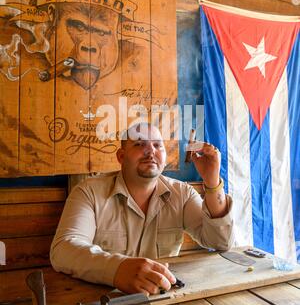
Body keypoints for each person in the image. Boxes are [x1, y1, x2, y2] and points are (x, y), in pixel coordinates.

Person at [50, 123, 234, 295]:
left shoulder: (182, 193)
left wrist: (212, 180)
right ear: (121, 157)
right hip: (104, 302)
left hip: (166, 297)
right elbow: (63, 250)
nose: (150, 151)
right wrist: (117, 269)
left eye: (157, 145)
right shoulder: (89, 192)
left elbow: (220, 242)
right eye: (139, 144)